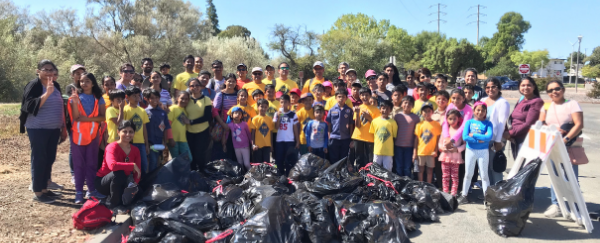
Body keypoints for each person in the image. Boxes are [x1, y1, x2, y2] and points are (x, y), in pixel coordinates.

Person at [21, 60, 68, 204]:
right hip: (37, 128)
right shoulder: (34, 85)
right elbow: (28, 106)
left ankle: (45, 189)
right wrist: (47, 94)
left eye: (51, 70)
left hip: (53, 129)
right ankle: (38, 192)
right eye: (45, 69)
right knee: (39, 158)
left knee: (49, 158)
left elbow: (60, 107)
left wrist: (62, 127)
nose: (48, 72)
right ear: (38, 71)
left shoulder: (56, 85)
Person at [540, 80, 584, 218]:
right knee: (555, 176)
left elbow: (579, 124)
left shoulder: (572, 104)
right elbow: (541, 123)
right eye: (550, 90)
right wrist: (550, 129)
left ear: (563, 89)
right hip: (552, 146)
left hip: (568, 146)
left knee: (571, 177)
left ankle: (575, 207)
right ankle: (556, 204)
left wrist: (565, 139)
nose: (554, 92)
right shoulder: (546, 106)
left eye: (557, 88)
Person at [68, 72, 106, 203]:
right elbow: (76, 116)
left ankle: (91, 190)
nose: (84, 83)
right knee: (79, 164)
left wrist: (88, 119)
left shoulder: (98, 98)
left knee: (91, 164)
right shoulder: (76, 97)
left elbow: (103, 117)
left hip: (93, 135)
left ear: (93, 83)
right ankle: (79, 192)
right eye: (82, 81)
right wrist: (75, 102)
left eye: (87, 81)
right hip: (78, 136)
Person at [95, 120, 142, 213]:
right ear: (118, 132)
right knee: (118, 174)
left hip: (123, 181)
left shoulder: (135, 150)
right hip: (103, 182)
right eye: (125, 131)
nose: (128, 134)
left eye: (131, 132)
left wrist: (135, 184)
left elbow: (138, 171)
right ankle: (113, 205)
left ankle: (119, 200)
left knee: (139, 192)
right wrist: (131, 165)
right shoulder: (112, 147)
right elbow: (113, 166)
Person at [458, 101, 493, 204]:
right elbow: (465, 137)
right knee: (468, 174)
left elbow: (489, 137)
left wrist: (473, 135)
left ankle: (487, 198)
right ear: (474, 111)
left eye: (483, 110)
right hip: (470, 151)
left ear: (486, 112)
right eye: (478, 110)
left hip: (483, 151)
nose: (480, 112)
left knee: (484, 175)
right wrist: (481, 139)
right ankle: (464, 195)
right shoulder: (469, 122)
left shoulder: (488, 123)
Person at [505, 77, 543, 159]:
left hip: (525, 139)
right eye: (523, 85)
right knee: (518, 166)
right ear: (519, 87)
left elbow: (529, 124)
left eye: (529, 85)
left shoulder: (536, 101)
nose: (525, 87)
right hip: (515, 138)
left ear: (534, 87)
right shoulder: (522, 99)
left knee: (523, 167)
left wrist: (510, 133)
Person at [481, 78, 510, 185]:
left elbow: (502, 123)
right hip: (484, 139)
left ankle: (498, 193)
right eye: (487, 87)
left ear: (498, 88)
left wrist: (498, 141)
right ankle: (489, 192)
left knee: (495, 167)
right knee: (485, 166)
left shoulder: (503, 103)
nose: (490, 89)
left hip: (495, 139)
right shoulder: (483, 101)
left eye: (493, 86)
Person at [185, 77, 213, 170]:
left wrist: (191, 122)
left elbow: (207, 116)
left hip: (202, 131)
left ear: (201, 87)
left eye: (197, 85)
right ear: (189, 87)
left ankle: (202, 175)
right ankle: (193, 176)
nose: (195, 87)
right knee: (191, 155)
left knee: (200, 154)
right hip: (189, 132)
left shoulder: (206, 99)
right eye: (192, 85)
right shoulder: (186, 100)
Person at [143, 89, 174, 172]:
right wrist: (146, 143)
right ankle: (151, 181)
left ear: (159, 98)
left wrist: (165, 141)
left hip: (160, 141)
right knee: (152, 161)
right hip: (150, 142)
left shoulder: (162, 113)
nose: (154, 100)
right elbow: (144, 128)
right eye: (152, 98)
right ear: (148, 99)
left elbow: (165, 127)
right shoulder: (145, 112)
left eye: (156, 98)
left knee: (159, 161)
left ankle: (156, 179)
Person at [438, 109, 466, 196]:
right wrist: (442, 148)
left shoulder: (461, 131)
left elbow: (465, 145)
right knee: (445, 176)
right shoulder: (445, 131)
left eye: (454, 119)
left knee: (454, 177)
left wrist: (457, 149)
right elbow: (440, 142)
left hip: (456, 158)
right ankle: (445, 193)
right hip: (445, 157)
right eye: (450, 119)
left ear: (458, 119)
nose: (452, 121)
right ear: (447, 120)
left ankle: (453, 194)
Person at [123, 86, 150, 174]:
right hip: (129, 143)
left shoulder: (142, 111)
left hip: (141, 143)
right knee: (130, 165)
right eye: (134, 96)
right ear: (127, 97)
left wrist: (146, 144)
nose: (137, 98)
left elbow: (144, 128)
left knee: (143, 165)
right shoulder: (124, 110)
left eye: (138, 95)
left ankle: (142, 185)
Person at [350, 87, 380, 167]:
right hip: (358, 137)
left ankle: (369, 176)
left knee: (369, 160)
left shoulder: (376, 110)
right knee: (359, 158)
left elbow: (377, 125)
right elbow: (357, 125)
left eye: (367, 95)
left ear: (370, 96)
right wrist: (357, 113)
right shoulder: (358, 108)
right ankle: (360, 176)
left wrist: (369, 117)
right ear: (360, 96)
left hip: (370, 138)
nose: (365, 97)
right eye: (362, 95)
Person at [212, 73, 238, 160]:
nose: (231, 83)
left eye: (233, 81)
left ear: (236, 83)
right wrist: (223, 124)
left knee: (233, 149)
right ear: (225, 82)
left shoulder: (238, 94)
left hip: (236, 127)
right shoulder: (220, 95)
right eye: (229, 81)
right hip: (223, 126)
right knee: (222, 149)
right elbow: (215, 111)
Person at [413, 102, 441, 183]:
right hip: (421, 151)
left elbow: (438, 139)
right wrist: (414, 152)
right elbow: (416, 139)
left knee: (430, 170)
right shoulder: (419, 125)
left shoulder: (437, 124)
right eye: (425, 111)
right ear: (421, 113)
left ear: (432, 112)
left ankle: (429, 186)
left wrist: (436, 151)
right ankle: (421, 186)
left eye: (429, 111)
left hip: (431, 152)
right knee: (420, 170)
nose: (427, 113)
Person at [273, 94, 299, 175]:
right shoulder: (277, 114)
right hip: (279, 140)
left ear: (289, 104)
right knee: (279, 159)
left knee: (289, 160)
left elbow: (295, 128)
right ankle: (280, 175)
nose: (283, 104)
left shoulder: (293, 114)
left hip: (289, 140)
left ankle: (288, 176)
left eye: (285, 102)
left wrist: (297, 141)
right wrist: (279, 117)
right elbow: (276, 127)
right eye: (282, 102)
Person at [394, 96, 420, 177]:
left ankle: (407, 185)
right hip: (398, 145)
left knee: (407, 168)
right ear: (401, 104)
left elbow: (417, 135)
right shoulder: (397, 116)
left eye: (410, 103)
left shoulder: (416, 118)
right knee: (398, 167)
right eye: (405, 102)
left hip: (409, 147)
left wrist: (415, 149)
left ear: (413, 106)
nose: (407, 105)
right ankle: (399, 185)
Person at [326, 88, 354, 163]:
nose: (341, 99)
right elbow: (329, 124)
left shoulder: (349, 110)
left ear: (346, 98)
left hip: (345, 138)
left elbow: (351, 124)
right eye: (339, 97)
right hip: (334, 137)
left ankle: (342, 173)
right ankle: (334, 173)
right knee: (333, 158)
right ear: (335, 98)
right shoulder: (331, 110)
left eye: (343, 97)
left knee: (343, 158)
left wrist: (351, 138)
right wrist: (329, 136)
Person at [369, 100, 397, 171]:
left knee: (387, 170)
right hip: (377, 150)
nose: (385, 110)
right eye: (383, 108)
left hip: (388, 152)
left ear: (390, 110)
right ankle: (376, 182)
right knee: (375, 170)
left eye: (387, 109)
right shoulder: (374, 121)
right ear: (380, 109)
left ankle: (387, 182)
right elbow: (372, 134)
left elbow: (394, 136)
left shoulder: (393, 123)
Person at [168, 91, 192, 160]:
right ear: (177, 98)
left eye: (186, 99)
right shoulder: (172, 108)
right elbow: (168, 124)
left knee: (189, 159)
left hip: (183, 139)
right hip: (173, 139)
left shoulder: (185, 110)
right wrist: (170, 139)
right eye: (182, 98)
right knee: (175, 160)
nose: (184, 100)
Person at [250, 99, 275, 164]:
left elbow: (271, 132)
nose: (263, 108)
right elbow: (253, 133)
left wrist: (271, 144)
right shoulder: (255, 119)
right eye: (261, 106)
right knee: (257, 164)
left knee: (266, 164)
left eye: (265, 107)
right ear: (258, 107)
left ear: (267, 108)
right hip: (257, 146)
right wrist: (253, 144)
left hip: (267, 145)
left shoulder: (269, 119)